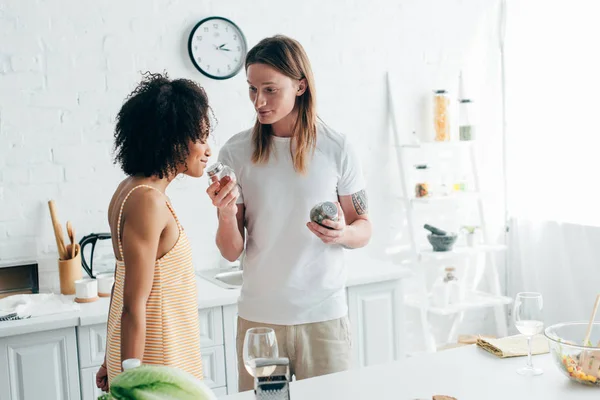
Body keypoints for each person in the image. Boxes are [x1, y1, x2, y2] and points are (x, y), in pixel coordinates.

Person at [207, 35, 371, 391]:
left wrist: (341, 233)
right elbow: (231, 250)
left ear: (300, 86)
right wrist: (223, 214)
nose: (259, 102)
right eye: (252, 90)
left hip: (323, 320)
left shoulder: (336, 147)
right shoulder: (236, 152)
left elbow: (364, 227)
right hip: (261, 323)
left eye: (270, 89)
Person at [96, 72, 213, 391]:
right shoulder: (147, 201)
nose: (208, 150)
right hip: (158, 365)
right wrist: (133, 382)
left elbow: (122, 284)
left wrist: (112, 358)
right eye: (201, 137)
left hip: (148, 358)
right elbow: (134, 303)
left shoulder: (130, 190)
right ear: (174, 141)